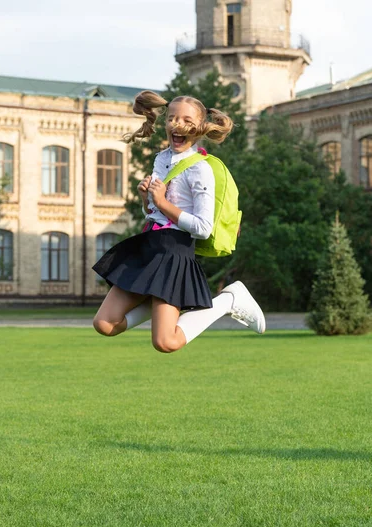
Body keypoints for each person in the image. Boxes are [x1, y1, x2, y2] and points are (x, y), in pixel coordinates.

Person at [92, 91, 265, 353]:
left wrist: (162, 203)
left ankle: (229, 300)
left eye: (186, 119)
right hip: (149, 245)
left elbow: (203, 227)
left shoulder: (200, 168)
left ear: (199, 127)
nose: (177, 124)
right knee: (104, 324)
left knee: (165, 342)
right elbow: (154, 214)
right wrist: (147, 201)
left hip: (174, 254)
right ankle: (154, 299)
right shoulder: (161, 159)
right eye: (172, 118)